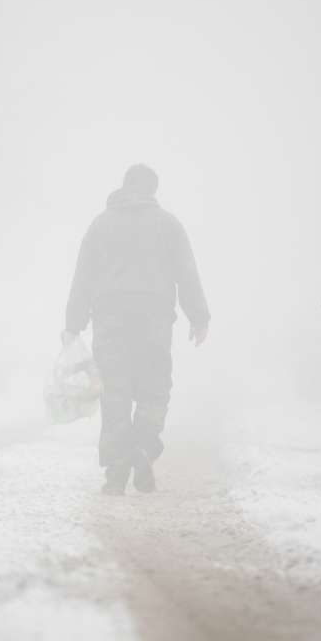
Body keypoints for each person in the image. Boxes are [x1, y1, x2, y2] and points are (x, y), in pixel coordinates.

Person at [63, 163, 209, 495]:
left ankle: (116, 471)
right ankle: (143, 448)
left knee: (114, 391)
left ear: (124, 187)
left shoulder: (100, 225)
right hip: (154, 320)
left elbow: (82, 277)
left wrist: (73, 324)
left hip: (110, 319)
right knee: (153, 388)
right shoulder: (169, 225)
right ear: (153, 190)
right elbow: (186, 272)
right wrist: (199, 318)